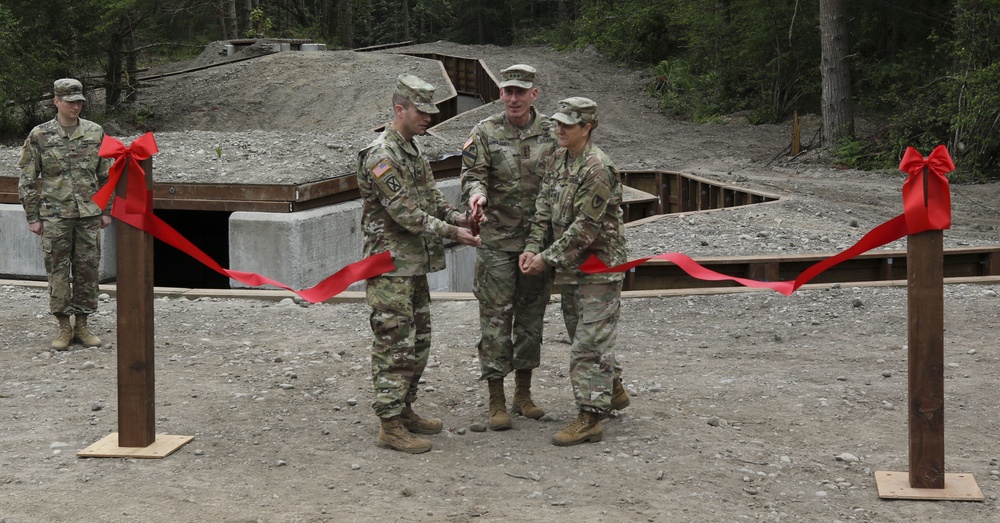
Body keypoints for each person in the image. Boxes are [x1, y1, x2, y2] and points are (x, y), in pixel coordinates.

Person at [356, 74, 481, 454]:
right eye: (421, 111)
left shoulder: (411, 151)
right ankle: (389, 424)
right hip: (390, 267)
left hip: (412, 266)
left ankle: (404, 409)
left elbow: (431, 201)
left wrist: (463, 218)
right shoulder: (381, 155)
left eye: (431, 110)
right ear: (400, 109)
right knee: (395, 344)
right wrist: (454, 234)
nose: (429, 118)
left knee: (419, 344)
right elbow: (407, 216)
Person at [520, 97, 628, 446]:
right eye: (557, 122)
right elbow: (542, 212)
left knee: (587, 345)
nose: (560, 128)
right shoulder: (556, 160)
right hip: (570, 267)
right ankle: (612, 388)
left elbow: (585, 228)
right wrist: (532, 247)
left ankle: (589, 418)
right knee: (583, 334)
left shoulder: (597, 168)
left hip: (598, 268)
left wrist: (545, 259)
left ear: (587, 128)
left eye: (568, 124)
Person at [460, 64, 557, 430]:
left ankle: (524, 394)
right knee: (496, 320)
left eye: (521, 91)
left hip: (537, 243)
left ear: (534, 94)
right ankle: (496, 399)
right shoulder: (484, 132)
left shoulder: (553, 131)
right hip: (498, 241)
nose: (513, 98)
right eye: (507, 91)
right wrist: (477, 196)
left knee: (531, 319)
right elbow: (472, 174)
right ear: (500, 94)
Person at [18, 78, 113, 351]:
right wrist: (33, 216)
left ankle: (82, 324)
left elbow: (106, 174)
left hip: (88, 213)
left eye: (80, 101)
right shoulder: (40, 135)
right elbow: (27, 177)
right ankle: (63, 324)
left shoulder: (95, 132)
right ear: (56, 102)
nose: (76, 106)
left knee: (87, 269)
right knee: (57, 270)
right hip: (55, 214)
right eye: (70, 101)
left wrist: (106, 210)